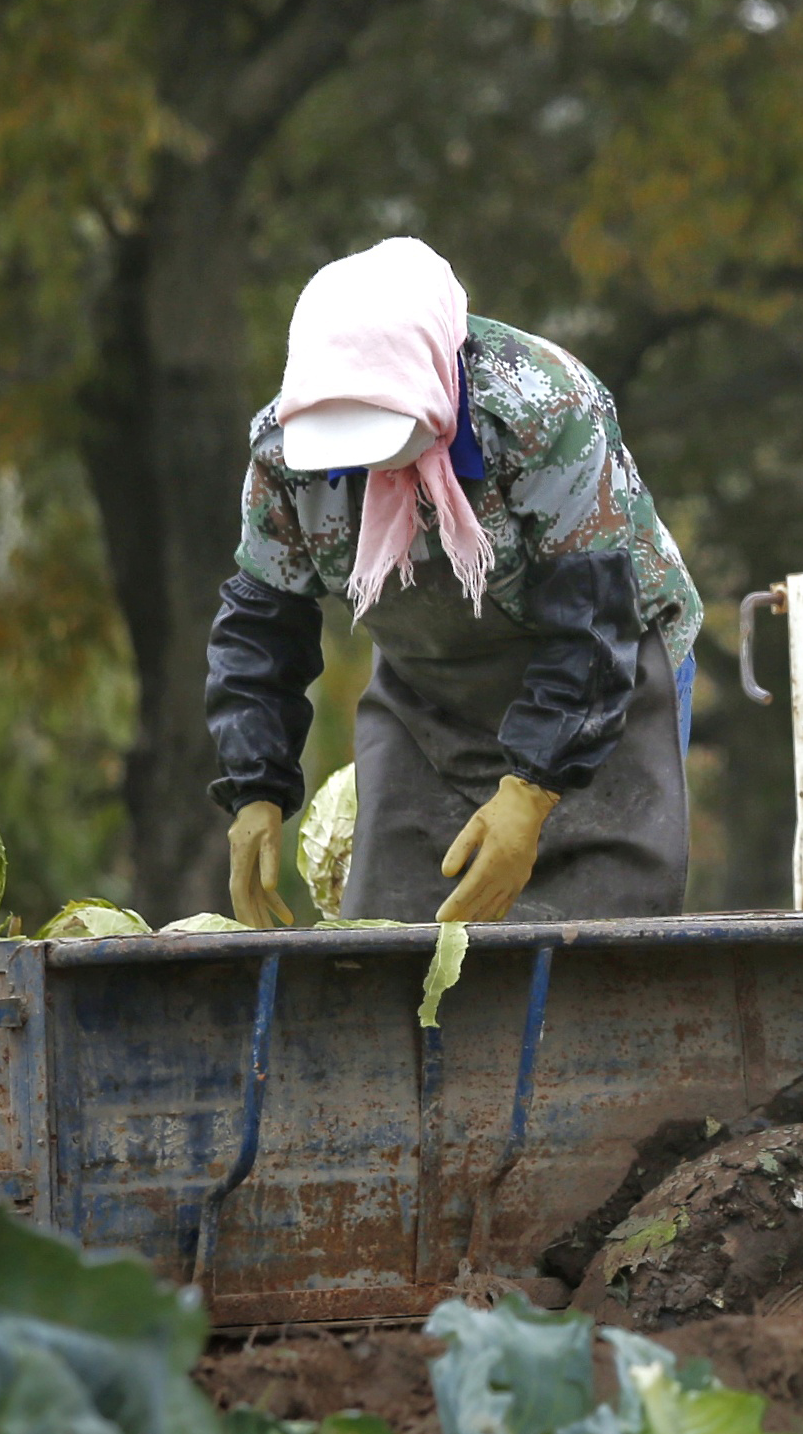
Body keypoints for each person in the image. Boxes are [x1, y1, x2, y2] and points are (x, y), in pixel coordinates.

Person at [206, 238, 705, 927]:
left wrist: (530, 792)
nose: (359, 461)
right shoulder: (284, 451)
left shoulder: (542, 410)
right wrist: (255, 786)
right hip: (428, 702)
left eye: (374, 432)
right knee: (398, 955)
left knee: (595, 950)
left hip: (602, 679)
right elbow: (262, 624)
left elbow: (592, 625)